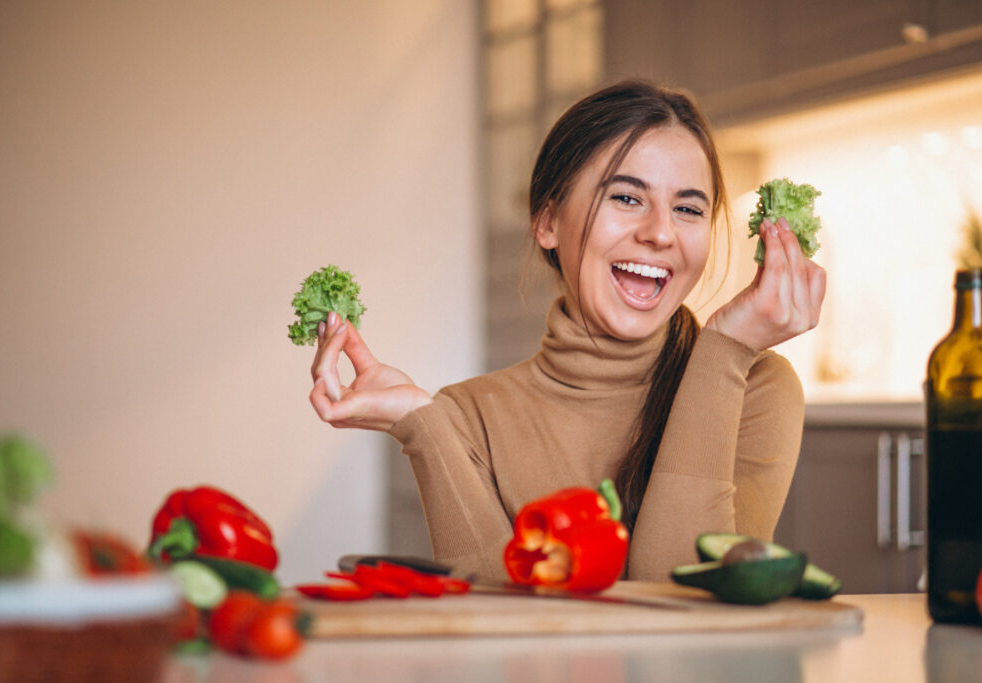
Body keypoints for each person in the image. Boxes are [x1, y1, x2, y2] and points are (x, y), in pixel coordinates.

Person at [309, 80, 826, 581]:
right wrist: (419, 423)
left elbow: (685, 601)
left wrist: (725, 352)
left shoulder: (754, 387)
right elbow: (495, 626)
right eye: (626, 197)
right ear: (548, 221)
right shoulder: (466, 418)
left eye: (688, 209)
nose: (660, 233)